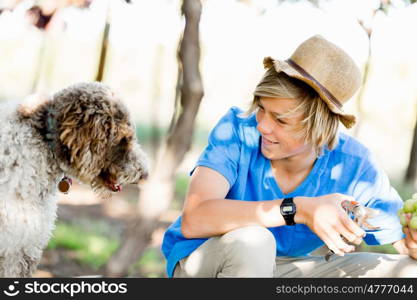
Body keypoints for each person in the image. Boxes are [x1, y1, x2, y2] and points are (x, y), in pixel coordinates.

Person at [161, 35, 417, 278]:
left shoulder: (354, 164)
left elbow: (402, 240)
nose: (262, 125)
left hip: (286, 270)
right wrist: (299, 209)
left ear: (320, 128)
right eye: (261, 108)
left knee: (408, 272)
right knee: (255, 242)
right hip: (211, 261)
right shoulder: (237, 131)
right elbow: (194, 219)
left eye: (281, 120)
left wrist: (413, 242)